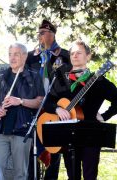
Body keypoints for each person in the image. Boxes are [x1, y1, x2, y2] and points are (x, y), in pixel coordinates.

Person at [43, 39, 117, 180]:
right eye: (72, 53)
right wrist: (57, 109)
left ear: (88, 56)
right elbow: (47, 101)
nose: (75, 56)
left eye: (79, 53)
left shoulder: (99, 81)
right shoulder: (62, 81)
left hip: (91, 134)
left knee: (89, 176)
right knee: (72, 176)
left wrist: (105, 116)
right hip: (68, 135)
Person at [0, 43, 45, 180]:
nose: (12, 57)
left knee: (20, 174)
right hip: (2, 130)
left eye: (16, 54)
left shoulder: (34, 77)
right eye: (10, 54)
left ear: (25, 56)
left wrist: (20, 101)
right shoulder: (0, 76)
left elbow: (39, 101)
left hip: (22, 131)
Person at [26, 19, 70, 180]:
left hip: (55, 111)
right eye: (39, 33)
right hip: (33, 110)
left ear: (52, 34)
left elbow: (69, 85)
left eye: (43, 33)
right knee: (31, 152)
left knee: (54, 151)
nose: (40, 36)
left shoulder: (65, 56)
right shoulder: (31, 57)